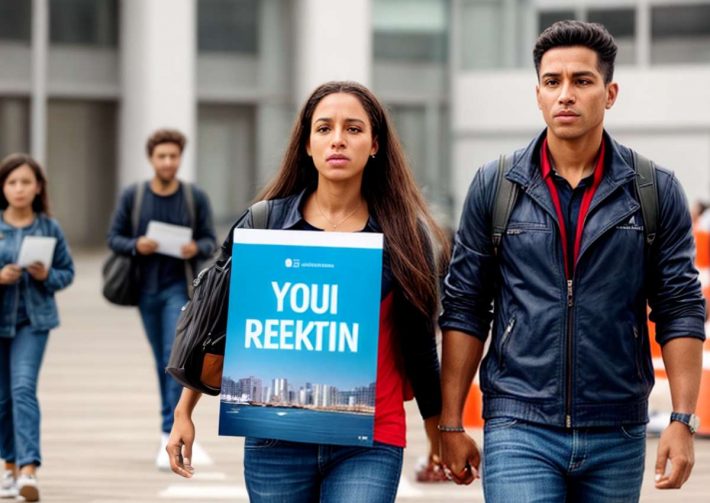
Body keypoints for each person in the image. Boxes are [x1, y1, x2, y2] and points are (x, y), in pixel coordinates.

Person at [438, 20, 705, 502]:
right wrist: (451, 422)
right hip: (519, 424)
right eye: (552, 81)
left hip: (617, 430)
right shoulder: (495, 186)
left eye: (582, 81)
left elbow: (681, 307)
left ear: (610, 92)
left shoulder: (654, 190)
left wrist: (683, 420)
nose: (566, 94)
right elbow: (465, 308)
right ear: (537, 93)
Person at [166, 81, 450, 502]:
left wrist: (439, 429)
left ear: (375, 144)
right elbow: (220, 321)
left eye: (353, 129)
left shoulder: (405, 236)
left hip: (370, 438)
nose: (338, 139)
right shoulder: (264, 224)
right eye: (324, 128)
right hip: (275, 437)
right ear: (307, 144)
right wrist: (183, 411)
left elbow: (419, 343)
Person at [106, 128, 217, 470]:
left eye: (173, 156)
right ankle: (164, 434)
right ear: (152, 159)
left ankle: (173, 430)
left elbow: (211, 241)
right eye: (162, 156)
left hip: (178, 290)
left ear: (180, 158)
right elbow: (114, 238)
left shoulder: (193, 197)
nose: (168, 162)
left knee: (175, 360)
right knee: (161, 361)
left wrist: (194, 248)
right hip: (145, 291)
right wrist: (136, 245)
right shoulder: (134, 196)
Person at [0, 154, 74, 501]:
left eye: (26, 182)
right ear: (3, 187)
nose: (19, 188)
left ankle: (29, 470)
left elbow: (67, 272)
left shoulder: (49, 227)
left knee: (23, 389)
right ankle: (9, 467)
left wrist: (47, 276)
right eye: (12, 182)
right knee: (2, 399)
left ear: (38, 187)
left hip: (34, 322)